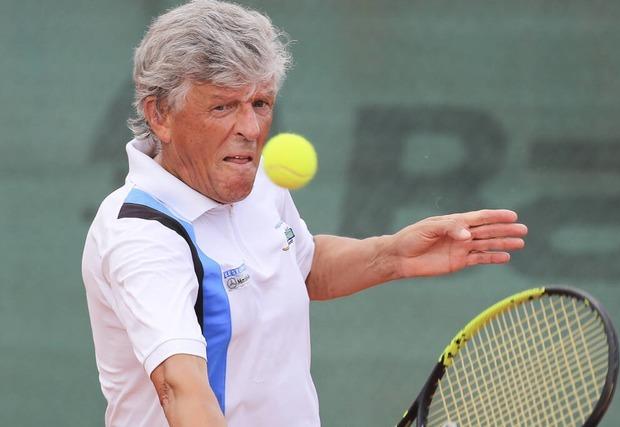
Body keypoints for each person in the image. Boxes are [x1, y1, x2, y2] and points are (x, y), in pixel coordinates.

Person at [81, 1, 528, 426]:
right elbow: (180, 388)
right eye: (223, 106)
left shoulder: (256, 181)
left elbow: (302, 267)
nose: (251, 129)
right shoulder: (141, 234)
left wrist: (392, 255)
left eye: (260, 104)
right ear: (160, 114)